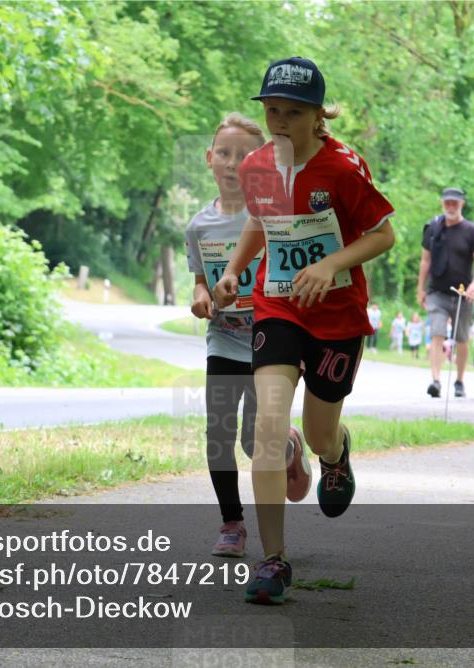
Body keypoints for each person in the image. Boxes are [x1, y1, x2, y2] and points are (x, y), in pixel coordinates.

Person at [212, 56, 395, 604]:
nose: (280, 122)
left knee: (318, 433)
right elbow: (258, 221)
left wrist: (330, 264)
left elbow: (383, 235)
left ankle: (333, 455)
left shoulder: (343, 168)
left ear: (319, 116)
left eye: (293, 113)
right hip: (278, 306)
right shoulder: (257, 166)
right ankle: (273, 560)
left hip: (336, 315)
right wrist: (233, 271)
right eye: (272, 111)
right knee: (268, 424)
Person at [185, 113, 309, 559]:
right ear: (209, 158)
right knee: (218, 434)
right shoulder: (198, 227)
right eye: (223, 153)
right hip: (222, 340)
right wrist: (202, 297)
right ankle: (232, 523)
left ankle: (289, 443)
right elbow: (199, 281)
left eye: (243, 155)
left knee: (256, 441)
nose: (232, 163)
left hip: (269, 341)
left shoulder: (275, 216)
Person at [416, 187, 474, 398]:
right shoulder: (432, 228)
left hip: (463, 294)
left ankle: (459, 381)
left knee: (461, 338)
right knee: (437, 333)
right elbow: (425, 260)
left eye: (454, 203)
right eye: (447, 202)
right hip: (436, 292)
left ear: (461, 204)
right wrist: (420, 289)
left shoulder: (471, 231)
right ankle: (436, 380)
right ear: (442, 203)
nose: (451, 206)